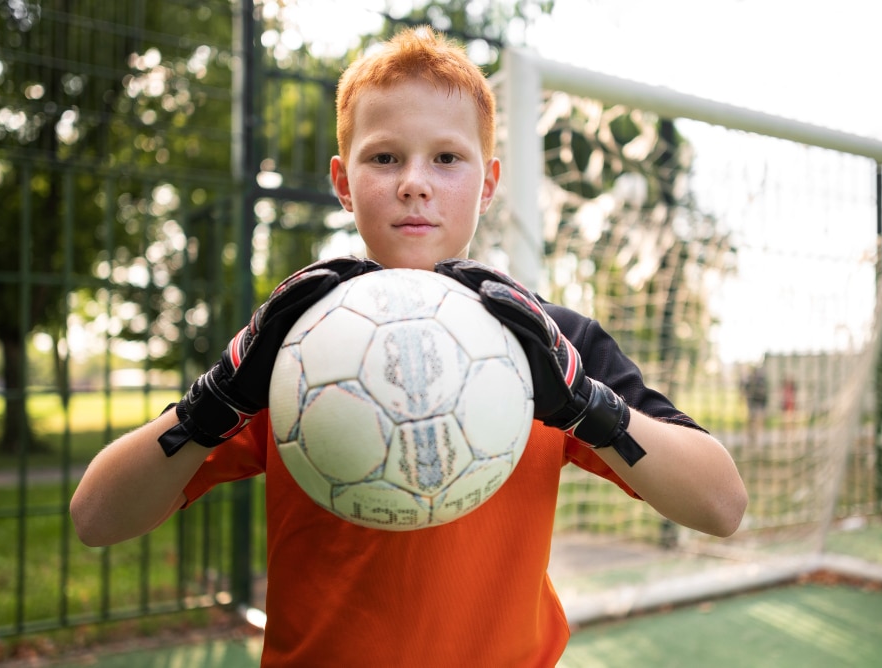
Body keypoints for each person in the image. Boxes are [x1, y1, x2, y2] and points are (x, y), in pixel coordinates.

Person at [71, 27, 747, 667]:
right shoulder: (295, 344)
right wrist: (215, 400)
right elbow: (96, 517)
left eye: (447, 158)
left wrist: (586, 405)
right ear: (343, 181)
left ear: (488, 183)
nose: (413, 182)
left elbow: (721, 506)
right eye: (385, 157)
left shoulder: (548, 341)